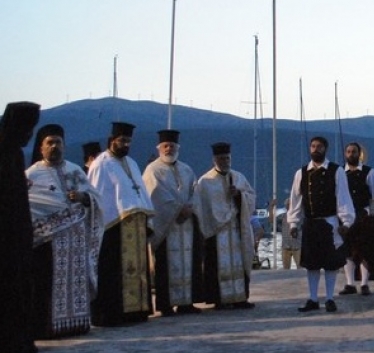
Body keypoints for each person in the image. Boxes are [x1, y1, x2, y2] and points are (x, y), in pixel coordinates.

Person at [26, 123, 103, 338]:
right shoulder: (32, 175)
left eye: (58, 142)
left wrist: (83, 198)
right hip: (47, 243)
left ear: (64, 145)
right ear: (41, 148)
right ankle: (46, 327)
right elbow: (29, 206)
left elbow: (95, 199)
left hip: (75, 241)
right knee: (47, 284)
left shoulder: (75, 171)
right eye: (49, 143)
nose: (54, 147)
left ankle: (75, 323)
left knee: (76, 281)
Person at [87, 122, 155, 326]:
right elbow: (97, 194)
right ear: (112, 141)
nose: (125, 144)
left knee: (137, 269)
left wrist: (144, 215)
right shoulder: (102, 163)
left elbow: (139, 191)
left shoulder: (131, 163)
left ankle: (136, 310)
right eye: (122, 140)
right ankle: (112, 313)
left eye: (128, 141)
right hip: (113, 227)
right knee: (113, 270)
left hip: (135, 225)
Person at [288, 136, 355, 313]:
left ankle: (330, 298)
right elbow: (295, 200)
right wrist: (293, 223)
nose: (316, 149)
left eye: (319, 147)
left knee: (330, 263)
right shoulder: (301, 173)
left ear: (326, 149)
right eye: (313, 146)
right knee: (312, 264)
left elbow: (343, 197)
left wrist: (346, 221)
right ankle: (313, 298)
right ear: (309, 149)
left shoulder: (336, 171)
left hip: (330, 222)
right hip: (310, 223)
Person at [142, 130, 203, 316]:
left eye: (172, 146)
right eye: (165, 146)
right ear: (159, 148)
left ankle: (186, 302)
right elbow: (156, 195)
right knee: (165, 265)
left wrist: (190, 207)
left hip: (186, 225)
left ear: (178, 148)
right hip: (166, 225)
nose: (169, 149)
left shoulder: (186, 169)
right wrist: (178, 208)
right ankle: (166, 304)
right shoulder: (152, 170)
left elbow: (195, 191)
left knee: (188, 262)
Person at [193, 142, 256, 310]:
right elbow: (200, 207)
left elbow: (251, 197)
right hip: (216, 231)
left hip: (236, 230)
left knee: (239, 262)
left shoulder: (238, 177)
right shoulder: (205, 182)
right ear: (214, 159)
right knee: (216, 264)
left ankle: (240, 297)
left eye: (227, 158)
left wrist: (239, 196)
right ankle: (219, 298)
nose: (224, 161)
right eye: (221, 158)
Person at [0, 101, 41, 353]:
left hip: (16, 232)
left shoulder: (14, 152)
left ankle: (19, 337)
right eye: (27, 129)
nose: (29, 136)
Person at [339, 142, 374, 296]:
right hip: (345, 216)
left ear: (359, 153)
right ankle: (350, 283)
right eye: (348, 151)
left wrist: (369, 212)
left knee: (364, 250)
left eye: (353, 152)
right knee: (347, 250)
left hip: (363, 215)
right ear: (345, 154)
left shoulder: (370, 173)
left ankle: (364, 283)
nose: (351, 154)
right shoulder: (340, 172)